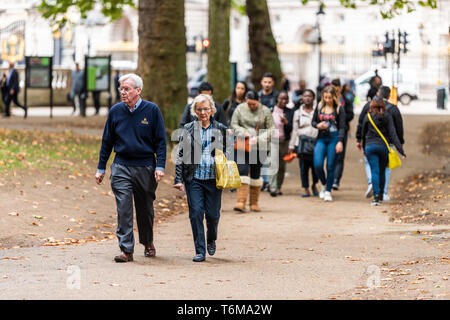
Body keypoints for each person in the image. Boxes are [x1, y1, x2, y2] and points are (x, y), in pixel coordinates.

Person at [95, 73, 167, 263]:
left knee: (145, 208)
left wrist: (159, 165)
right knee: (124, 208)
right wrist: (101, 168)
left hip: (145, 166)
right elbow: (107, 141)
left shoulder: (152, 110)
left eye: (127, 89)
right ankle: (126, 249)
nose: (123, 92)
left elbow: (161, 141)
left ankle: (147, 241)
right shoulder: (116, 111)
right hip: (121, 166)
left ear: (138, 90)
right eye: (121, 89)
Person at [174, 94, 229, 262]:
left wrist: (224, 160)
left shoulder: (220, 128)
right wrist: (178, 179)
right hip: (194, 178)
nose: (203, 112)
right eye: (199, 109)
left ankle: (211, 238)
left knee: (212, 215)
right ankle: (200, 250)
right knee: (196, 213)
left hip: (214, 179)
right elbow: (181, 155)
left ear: (212, 110)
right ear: (195, 111)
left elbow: (230, 151)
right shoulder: (189, 128)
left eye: (206, 109)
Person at [231, 90, 274, 212]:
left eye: (254, 104)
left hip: (259, 147)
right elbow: (233, 124)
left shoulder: (265, 111)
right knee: (242, 170)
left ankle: (254, 203)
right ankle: (241, 202)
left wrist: (259, 138)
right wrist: (242, 132)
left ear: (258, 101)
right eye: (249, 104)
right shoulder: (239, 109)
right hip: (242, 144)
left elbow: (271, 129)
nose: (251, 106)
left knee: (256, 172)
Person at [358, 95, 406, 205]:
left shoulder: (368, 117)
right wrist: (401, 150)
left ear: (372, 105)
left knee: (374, 171)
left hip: (370, 147)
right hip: (383, 147)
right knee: (382, 171)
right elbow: (393, 134)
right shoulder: (387, 116)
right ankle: (380, 195)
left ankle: (375, 198)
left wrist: (364, 148)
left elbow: (363, 134)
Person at [311, 85, 346, 202]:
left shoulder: (339, 109)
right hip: (321, 138)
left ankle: (327, 191)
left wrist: (340, 142)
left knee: (330, 165)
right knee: (318, 164)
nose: (327, 100)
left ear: (334, 97)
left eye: (329, 97)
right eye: (325, 97)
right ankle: (324, 183)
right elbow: (313, 121)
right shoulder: (320, 106)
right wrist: (317, 125)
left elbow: (342, 127)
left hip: (334, 138)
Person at [288, 89, 319, 197]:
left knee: (316, 166)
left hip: (316, 142)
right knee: (303, 167)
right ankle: (305, 188)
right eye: (305, 96)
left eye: (309, 96)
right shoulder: (297, 113)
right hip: (302, 143)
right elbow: (294, 130)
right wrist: (292, 146)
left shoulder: (318, 111)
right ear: (302, 98)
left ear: (313, 98)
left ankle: (315, 184)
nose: (307, 98)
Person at [268, 91, 294, 197]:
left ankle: (278, 186)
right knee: (273, 164)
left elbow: (292, 128)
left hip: (284, 141)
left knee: (282, 166)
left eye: (286, 99)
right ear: (277, 99)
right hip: (273, 140)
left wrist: (286, 123)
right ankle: (272, 187)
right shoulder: (270, 110)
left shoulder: (290, 112)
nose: (284, 101)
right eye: (282, 98)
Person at [331, 79, 354, 190]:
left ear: (340, 88)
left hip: (342, 130)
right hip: (330, 131)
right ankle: (329, 179)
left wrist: (342, 117)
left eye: (337, 87)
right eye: (333, 87)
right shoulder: (327, 99)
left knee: (340, 156)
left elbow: (351, 114)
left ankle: (336, 180)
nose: (335, 90)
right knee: (331, 156)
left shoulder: (346, 100)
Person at [258, 72, 278, 192]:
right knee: (261, 157)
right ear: (261, 82)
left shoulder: (277, 97)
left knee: (272, 159)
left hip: (273, 131)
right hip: (260, 131)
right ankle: (264, 182)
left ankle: (271, 183)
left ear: (273, 83)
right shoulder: (257, 96)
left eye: (269, 82)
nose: (267, 84)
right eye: (265, 82)